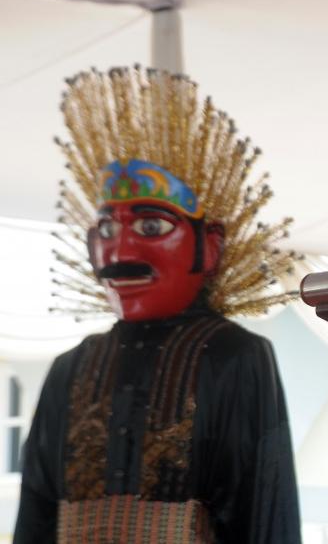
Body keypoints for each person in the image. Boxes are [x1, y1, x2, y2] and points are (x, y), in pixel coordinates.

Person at [14, 67, 302, 543]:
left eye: (150, 227)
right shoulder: (71, 368)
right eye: (106, 230)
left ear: (209, 247)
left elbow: (265, 515)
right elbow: (35, 519)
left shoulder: (234, 356)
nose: (120, 251)